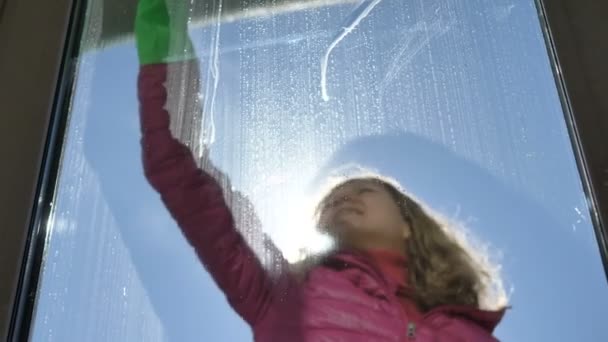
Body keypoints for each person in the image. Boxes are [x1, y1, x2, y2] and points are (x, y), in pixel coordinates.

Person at [134, 0, 508, 340]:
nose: (344, 196)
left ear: (409, 224)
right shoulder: (282, 291)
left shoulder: (468, 332)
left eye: (364, 190)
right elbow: (177, 167)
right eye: (332, 198)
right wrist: (165, 35)